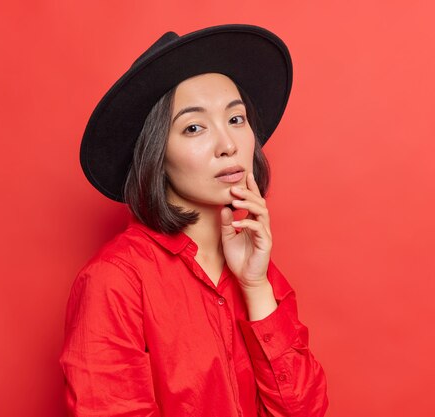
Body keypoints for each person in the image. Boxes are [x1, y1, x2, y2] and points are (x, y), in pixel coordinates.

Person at [59, 24, 328, 417]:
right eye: (194, 127)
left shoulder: (257, 273)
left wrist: (255, 287)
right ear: (155, 153)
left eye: (236, 119)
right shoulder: (115, 281)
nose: (228, 145)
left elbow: (304, 411)